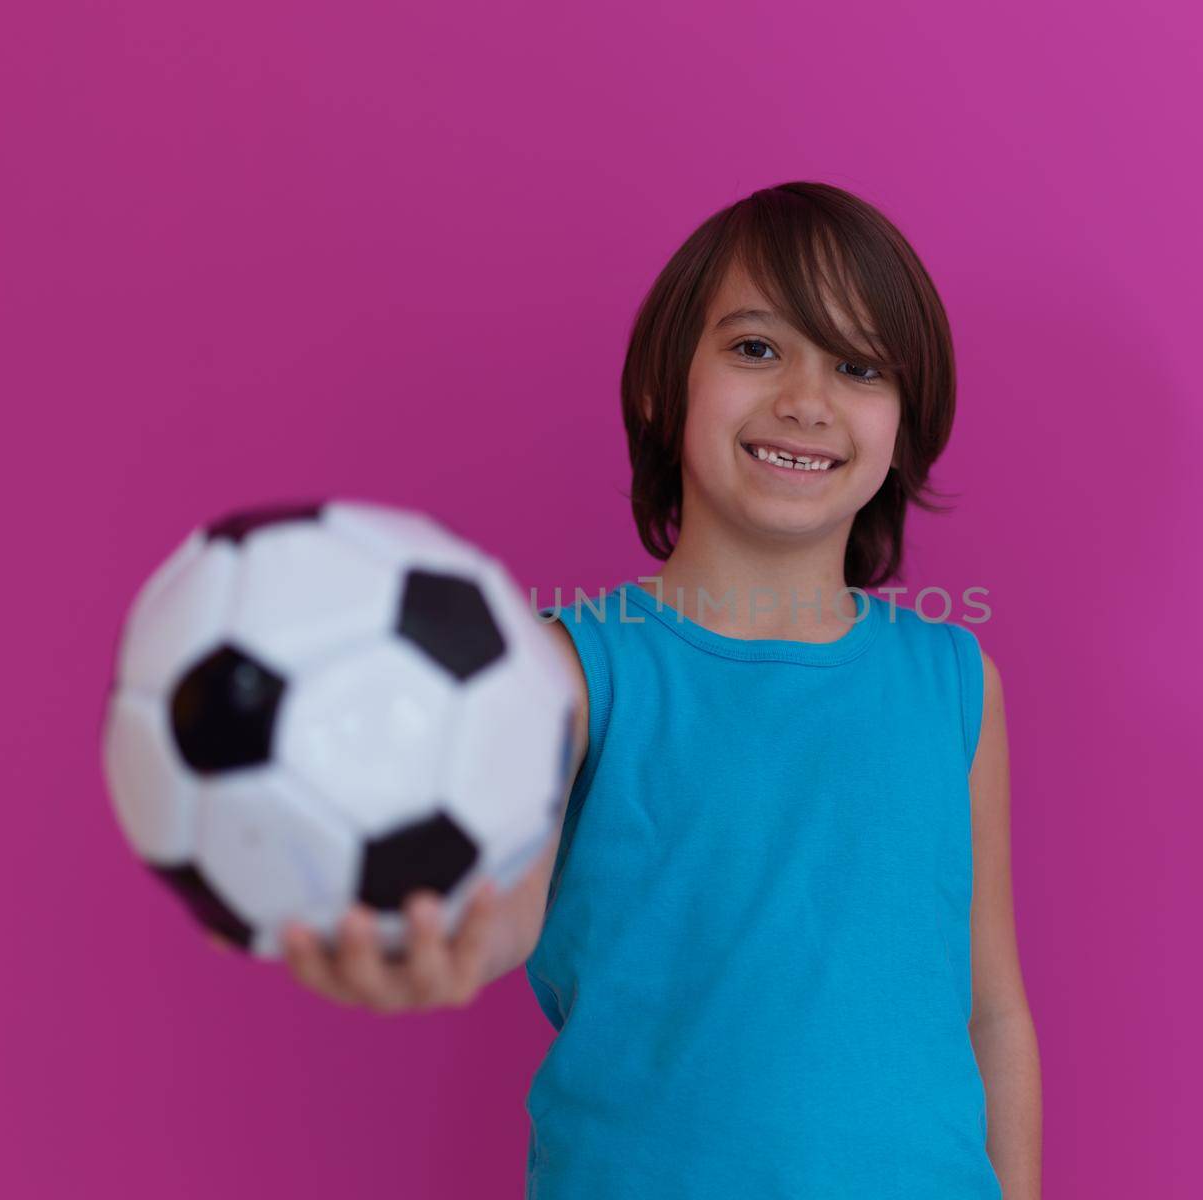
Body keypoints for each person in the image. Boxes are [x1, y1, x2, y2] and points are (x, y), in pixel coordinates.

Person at [277, 180, 1042, 1197]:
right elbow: (510, 909)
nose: (805, 399)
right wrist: (444, 944)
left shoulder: (956, 685)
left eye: (858, 366)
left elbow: (990, 1006)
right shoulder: (571, 670)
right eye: (757, 349)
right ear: (659, 389)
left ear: (903, 423)